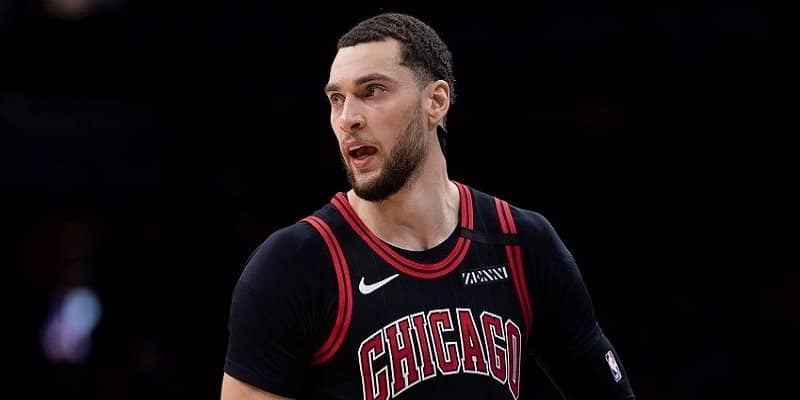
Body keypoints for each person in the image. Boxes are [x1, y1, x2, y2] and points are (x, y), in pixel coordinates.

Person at [221, 12, 636, 400]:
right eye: (336, 99)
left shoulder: (520, 242)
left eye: (371, 91)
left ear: (436, 101)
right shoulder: (292, 266)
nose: (347, 118)